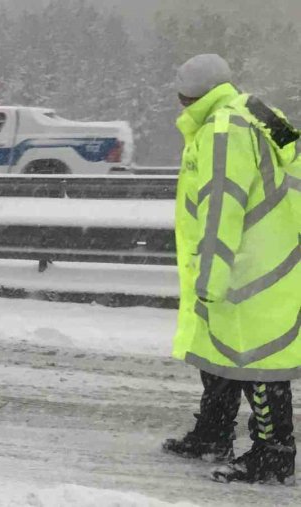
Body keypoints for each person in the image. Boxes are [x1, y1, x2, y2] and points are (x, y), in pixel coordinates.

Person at [161, 53, 301, 485]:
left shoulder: (224, 129)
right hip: (266, 253)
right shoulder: (251, 112)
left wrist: (211, 273)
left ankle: (273, 453)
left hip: (249, 265)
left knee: (256, 360)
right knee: (219, 350)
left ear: (188, 94)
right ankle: (213, 433)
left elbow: (222, 205)